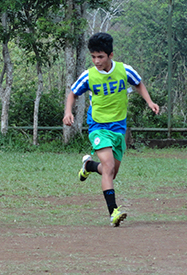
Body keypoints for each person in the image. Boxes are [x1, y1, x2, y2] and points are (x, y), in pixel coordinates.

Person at [63, 32, 159, 227]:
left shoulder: (124, 71)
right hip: (98, 126)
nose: (96, 61)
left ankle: (89, 166)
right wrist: (68, 112)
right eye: (93, 57)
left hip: (118, 127)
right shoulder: (89, 75)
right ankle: (113, 212)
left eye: (101, 57)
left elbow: (138, 84)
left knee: (111, 172)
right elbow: (73, 93)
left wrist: (149, 102)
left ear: (110, 55)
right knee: (108, 167)